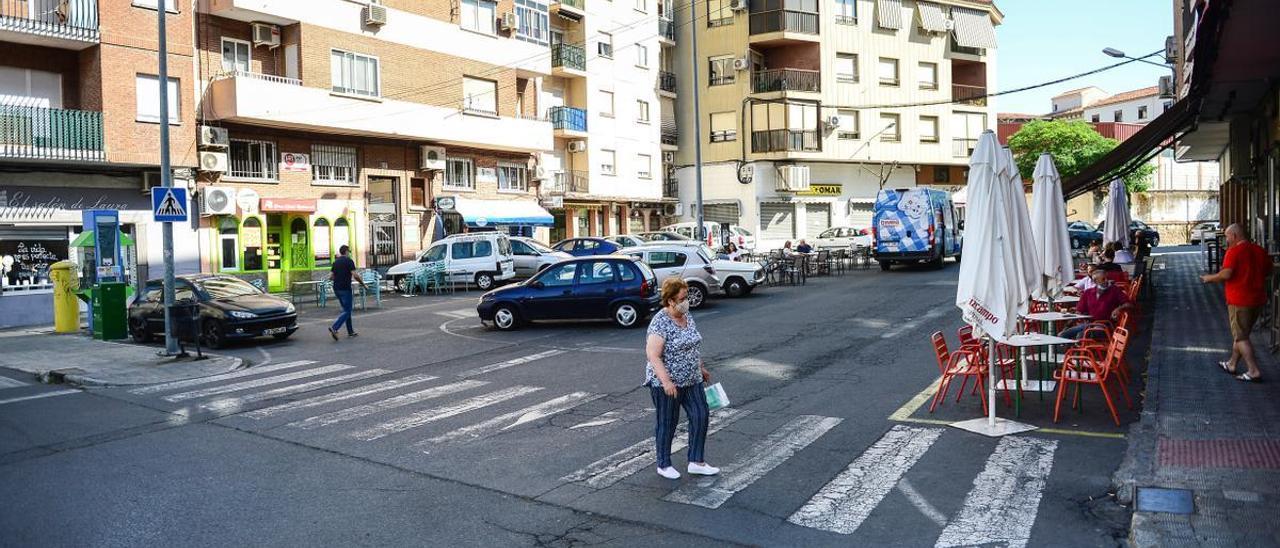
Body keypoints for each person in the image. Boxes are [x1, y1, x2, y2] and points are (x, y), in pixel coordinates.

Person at [644, 277, 718, 480]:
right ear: (670, 301)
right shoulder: (660, 322)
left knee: (700, 415)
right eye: (683, 298)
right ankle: (664, 464)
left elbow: (693, 345)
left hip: (692, 378)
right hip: (668, 383)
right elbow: (653, 355)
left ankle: (696, 461)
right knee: (668, 422)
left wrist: (701, 367)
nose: (687, 301)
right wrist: (666, 382)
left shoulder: (687, 315)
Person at [1201, 223, 1272, 382]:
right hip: (1258, 299)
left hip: (1239, 301)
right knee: (1241, 333)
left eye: (1227, 236)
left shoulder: (1233, 252)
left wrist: (1209, 278)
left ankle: (1253, 370)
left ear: (1234, 236)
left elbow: (1226, 274)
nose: (1226, 239)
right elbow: (1269, 270)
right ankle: (1232, 364)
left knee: (1241, 337)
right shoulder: (1259, 250)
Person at [1059, 268, 1133, 340]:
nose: (1107, 281)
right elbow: (1079, 311)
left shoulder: (1114, 290)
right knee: (1062, 335)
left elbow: (1129, 304)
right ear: (1095, 281)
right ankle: (1072, 351)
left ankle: (1078, 351)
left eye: (1107, 278)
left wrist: (1118, 308)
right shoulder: (1088, 293)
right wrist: (1068, 324)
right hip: (1089, 324)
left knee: (1080, 335)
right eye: (1103, 279)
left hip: (1105, 325)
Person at [328, 245, 368, 341]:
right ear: (346, 252)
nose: (349, 253)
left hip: (337, 288)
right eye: (349, 251)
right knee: (348, 310)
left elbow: (330, 277)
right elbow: (355, 275)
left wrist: (339, 277)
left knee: (346, 310)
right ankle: (335, 327)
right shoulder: (349, 261)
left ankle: (350, 331)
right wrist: (363, 284)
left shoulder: (336, 262)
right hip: (345, 288)